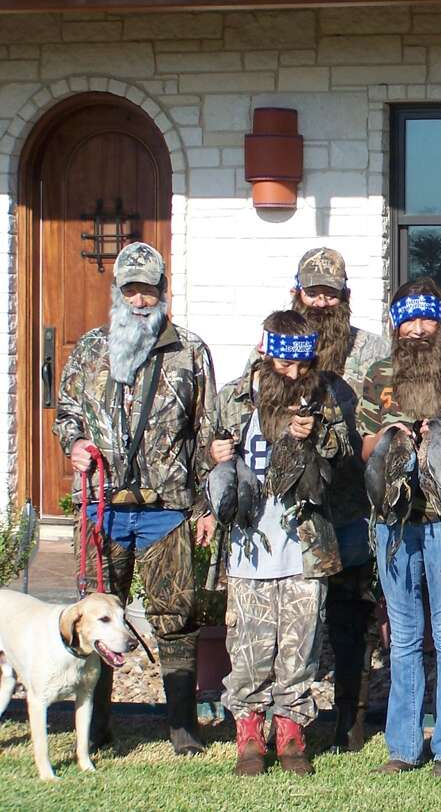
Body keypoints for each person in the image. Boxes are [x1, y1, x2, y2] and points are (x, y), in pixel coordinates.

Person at [55, 241, 217, 756]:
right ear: (117, 292)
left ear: (163, 290)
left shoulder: (190, 351)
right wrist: (74, 444)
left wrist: (206, 507)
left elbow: (207, 432)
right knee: (96, 618)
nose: (140, 300)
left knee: (176, 616)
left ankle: (182, 729)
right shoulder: (90, 349)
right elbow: (67, 411)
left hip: (165, 510)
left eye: (148, 289)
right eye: (131, 290)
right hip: (101, 507)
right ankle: (95, 727)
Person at [250, 247, 388, 752]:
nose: (323, 301)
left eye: (331, 292)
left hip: (350, 507)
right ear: (297, 293)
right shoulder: (270, 350)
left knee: (351, 616)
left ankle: (350, 722)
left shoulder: (371, 351)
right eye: (314, 292)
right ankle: (279, 720)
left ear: (345, 296)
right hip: (290, 516)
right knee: (288, 619)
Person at [210, 311, 348, 776]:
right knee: (248, 650)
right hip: (248, 547)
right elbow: (205, 457)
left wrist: (318, 435)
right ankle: (249, 734)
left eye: (303, 365)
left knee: (299, 650)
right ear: (265, 354)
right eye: (285, 364)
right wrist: (215, 453)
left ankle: (290, 732)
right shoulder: (234, 397)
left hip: (304, 547)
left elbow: (342, 452)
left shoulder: (322, 395)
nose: (293, 374)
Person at [358, 278, 441, 777]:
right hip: (393, 522)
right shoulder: (379, 373)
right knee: (405, 634)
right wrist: (389, 435)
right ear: (396, 325)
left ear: (440, 322)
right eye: (408, 318)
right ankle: (403, 747)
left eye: (426, 317)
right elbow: (364, 448)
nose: (417, 327)